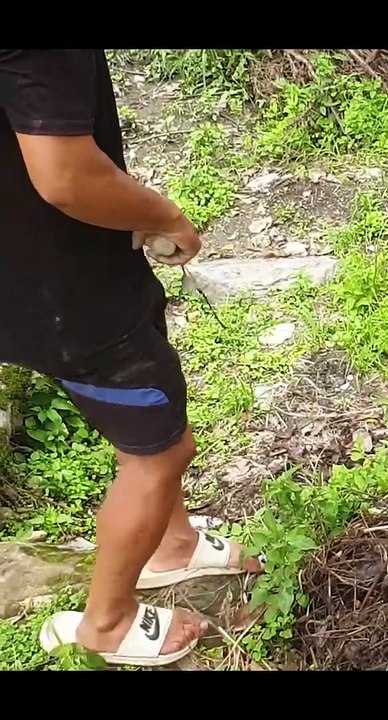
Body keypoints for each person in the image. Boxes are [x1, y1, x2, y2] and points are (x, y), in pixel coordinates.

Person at [1, 49, 261, 667]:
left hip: (37, 270)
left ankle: (174, 544)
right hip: (67, 293)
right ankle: (108, 622)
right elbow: (66, 176)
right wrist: (165, 215)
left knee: (146, 432)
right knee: (160, 455)